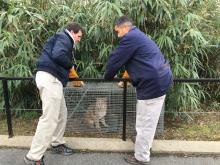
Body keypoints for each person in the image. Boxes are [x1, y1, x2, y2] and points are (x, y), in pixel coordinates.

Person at [104, 16, 173, 165]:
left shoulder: (130, 37)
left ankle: (141, 157)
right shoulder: (139, 36)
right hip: (159, 80)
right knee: (150, 120)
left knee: (145, 122)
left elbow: (115, 59)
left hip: (152, 84)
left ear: (124, 28)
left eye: (118, 31)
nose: (117, 35)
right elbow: (137, 61)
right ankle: (144, 144)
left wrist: (108, 76)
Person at [24, 22, 84, 165]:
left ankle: (57, 143)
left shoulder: (62, 38)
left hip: (52, 80)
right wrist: (71, 66)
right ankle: (34, 156)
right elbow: (58, 55)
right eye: (79, 36)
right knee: (49, 118)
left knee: (62, 113)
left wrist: (74, 77)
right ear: (72, 32)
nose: (79, 39)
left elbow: (57, 57)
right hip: (50, 79)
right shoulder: (64, 37)